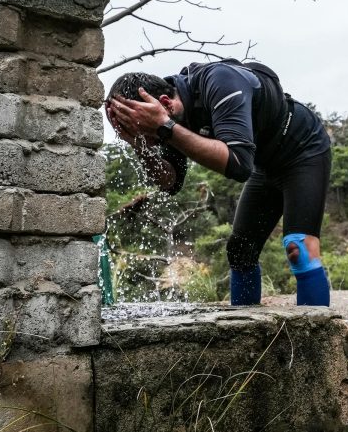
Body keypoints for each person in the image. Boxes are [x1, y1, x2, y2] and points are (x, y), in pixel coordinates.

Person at [105, 59, 332, 307]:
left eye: (144, 133)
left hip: (302, 150)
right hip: (265, 164)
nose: (151, 142)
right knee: (240, 251)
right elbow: (171, 183)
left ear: (166, 104)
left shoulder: (220, 81)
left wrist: (163, 128)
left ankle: (315, 339)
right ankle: (247, 336)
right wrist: (140, 147)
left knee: (299, 249)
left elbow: (239, 164)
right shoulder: (167, 118)